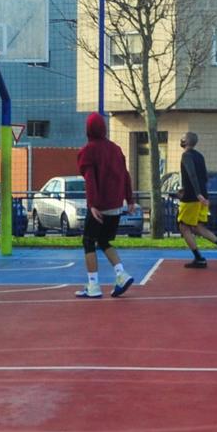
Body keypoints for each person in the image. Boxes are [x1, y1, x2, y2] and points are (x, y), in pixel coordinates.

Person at [74, 111, 134, 298]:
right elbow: (125, 175)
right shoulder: (116, 149)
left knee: (88, 241)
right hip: (116, 204)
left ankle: (93, 285)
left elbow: (90, 179)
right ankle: (121, 273)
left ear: (88, 129)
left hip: (100, 205)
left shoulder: (87, 151)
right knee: (104, 241)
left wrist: (92, 204)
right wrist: (130, 200)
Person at [174, 131, 217, 268]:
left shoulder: (186, 155)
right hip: (202, 195)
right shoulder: (199, 156)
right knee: (197, 227)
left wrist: (197, 194)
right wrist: (201, 193)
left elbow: (192, 175)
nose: (181, 140)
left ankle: (199, 258)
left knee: (183, 226)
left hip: (192, 198)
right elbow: (204, 177)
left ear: (187, 141)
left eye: (183, 138)